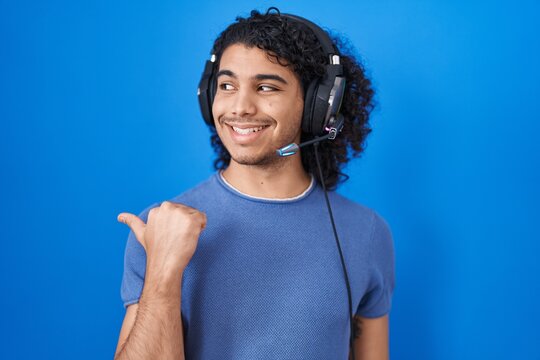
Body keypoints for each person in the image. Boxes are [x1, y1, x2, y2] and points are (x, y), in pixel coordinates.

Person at [114, 7, 395, 360]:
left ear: (317, 106)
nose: (240, 107)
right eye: (227, 86)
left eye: (265, 87)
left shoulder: (365, 232)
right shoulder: (159, 227)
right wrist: (163, 271)